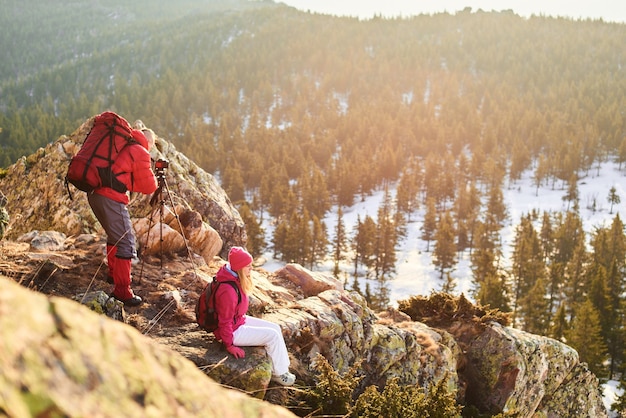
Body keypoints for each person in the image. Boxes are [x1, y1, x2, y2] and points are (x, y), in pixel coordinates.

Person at [88, 127, 158, 307]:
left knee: (115, 236)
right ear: (149, 142)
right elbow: (150, 187)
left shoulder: (123, 146)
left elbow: (122, 176)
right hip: (111, 198)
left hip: (94, 194)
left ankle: (113, 274)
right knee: (126, 242)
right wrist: (155, 175)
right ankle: (122, 291)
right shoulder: (140, 151)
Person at [213, 246, 296, 386]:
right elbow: (224, 321)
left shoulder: (234, 277)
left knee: (275, 327)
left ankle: (283, 368)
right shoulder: (228, 290)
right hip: (232, 331)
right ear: (239, 268)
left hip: (238, 321)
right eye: (248, 266)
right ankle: (278, 374)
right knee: (272, 336)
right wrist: (229, 345)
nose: (251, 268)